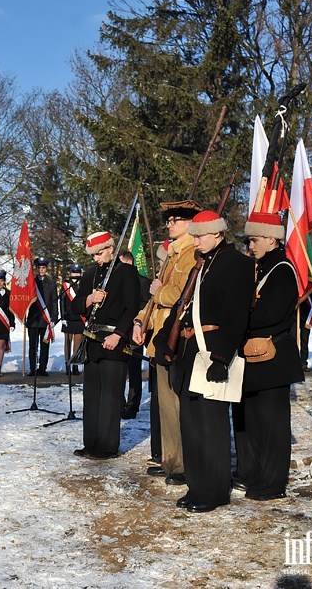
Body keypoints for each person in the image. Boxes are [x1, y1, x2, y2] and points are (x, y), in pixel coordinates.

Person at [152, 210, 254, 513]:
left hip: (211, 352)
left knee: (211, 427)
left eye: (200, 235)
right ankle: (198, 485)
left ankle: (214, 491)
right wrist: (162, 342)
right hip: (188, 350)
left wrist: (222, 356)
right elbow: (183, 304)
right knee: (192, 425)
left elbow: (236, 315)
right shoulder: (202, 263)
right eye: (193, 235)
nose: (195, 241)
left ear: (218, 234)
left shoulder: (237, 264)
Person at [234, 212, 304, 501]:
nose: (251, 245)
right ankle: (254, 475)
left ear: (272, 239)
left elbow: (272, 313)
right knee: (252, 422)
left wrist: (239, 316)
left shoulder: (282, 269)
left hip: (273, 358)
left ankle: (272, 483)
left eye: (256, 239)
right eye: (250, 240)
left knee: (272, 425)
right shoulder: (260, 267)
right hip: (255, 357)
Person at [133, 200, 201, 484]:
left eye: (175, 219)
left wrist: (160, 291)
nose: (169, 224)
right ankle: (170, 460)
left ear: (189, 223)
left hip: (178, 339)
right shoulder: (173, 254)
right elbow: (154, 299)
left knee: (177, 404)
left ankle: (183, 464)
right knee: (166, 407)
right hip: (160, 339)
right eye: (169, 219)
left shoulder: (191, 254)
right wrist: (140, 321)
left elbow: (183, 294)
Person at [71, 231, 140, 460]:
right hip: (92, 342)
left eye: (100, 253)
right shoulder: (90, 274)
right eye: (93, 255)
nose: (97, 258)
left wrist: (119, 335)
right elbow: (74, 307)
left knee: (110, 398)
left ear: (111, 248)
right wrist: (89, 299)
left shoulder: (126, 272)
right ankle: (90, 443)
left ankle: (107, 447)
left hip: (113, 341)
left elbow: (131, 307)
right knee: (92, 398)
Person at [118, 250, 151, 420]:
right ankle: (119, 403)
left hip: (136, 333)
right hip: (119, 333)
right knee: (119, 370)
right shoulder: (118, 283)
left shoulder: (143, 283)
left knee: (134, 370)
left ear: (129, 263)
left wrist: (138, 324)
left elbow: (147, 307)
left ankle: (132, 405)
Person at [25, 257, 59, 376]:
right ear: (36, 269)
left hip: (46, 319)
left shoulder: (52, 284)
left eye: (43, 268)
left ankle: (43, 368)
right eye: (39, 268)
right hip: (33, 319)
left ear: (46, 269)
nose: (41, 270)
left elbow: (54, 302)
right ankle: (33, 368)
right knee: (32, 346)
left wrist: (54, 318)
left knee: (44, 345)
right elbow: (25, 300)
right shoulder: (31, 283)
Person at [59, 264, 85, 375]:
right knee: (67, 342)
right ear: (70, 273)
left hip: (79, 317)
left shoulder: (83, 284)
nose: (76, 274)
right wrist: (63, 317)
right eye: (74, 272)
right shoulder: (65, 285)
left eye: (78, 272)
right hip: (68, 317)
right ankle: (67, 364)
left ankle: (75, 365)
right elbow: (62, 301)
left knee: (77, 342)